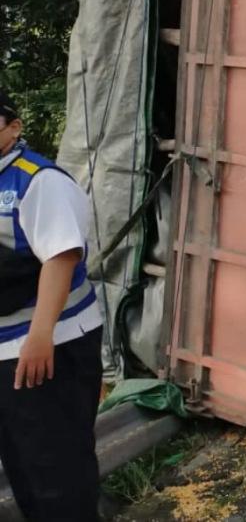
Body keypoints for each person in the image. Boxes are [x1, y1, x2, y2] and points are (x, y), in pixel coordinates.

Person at [0, 90, 103, 521]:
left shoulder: (36, 179)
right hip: (7, 347)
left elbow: (62, 256)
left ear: (13, 127)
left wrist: (40, 336)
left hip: (48, 343)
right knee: (20, 457)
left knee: (54, 459)